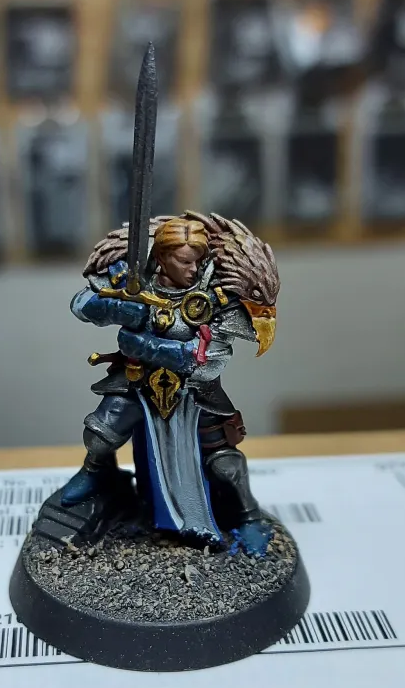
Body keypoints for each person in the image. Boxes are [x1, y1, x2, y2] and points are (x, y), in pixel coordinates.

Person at [61, 211, 279, 557]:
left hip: (194, 391)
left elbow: (210, 359)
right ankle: (95, 473)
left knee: (225, 464)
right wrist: (116, 309)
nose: (193, 269)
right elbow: (80, 303)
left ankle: (248, 515)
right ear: (162, 258)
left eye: (197, 261)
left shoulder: (216, 296)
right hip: (137, 381)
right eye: (184, 261)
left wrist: (147, 346)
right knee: (100, 435)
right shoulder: (135, 279)